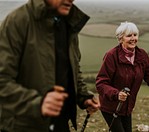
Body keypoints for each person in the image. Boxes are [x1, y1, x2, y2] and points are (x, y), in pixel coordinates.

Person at [0, 0, 100, 132]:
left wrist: (83, 97)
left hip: (60, 123)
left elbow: (73, 69)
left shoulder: (69, 24)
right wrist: (38, 104)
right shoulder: (17, 22)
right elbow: (2, 80)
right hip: (22, 126)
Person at [96, 21, 149, 132]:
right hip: (110, 107)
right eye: (129, 35)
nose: (133, 38)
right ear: (121, 39)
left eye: (135, 35)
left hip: (127, 107)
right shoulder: (111, 56)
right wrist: (117, 94)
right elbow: (101, 83)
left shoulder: (141, 55)